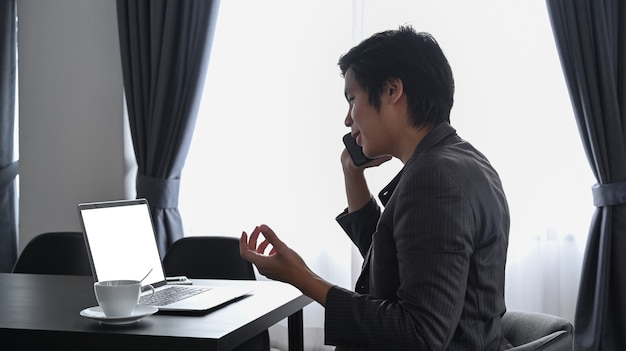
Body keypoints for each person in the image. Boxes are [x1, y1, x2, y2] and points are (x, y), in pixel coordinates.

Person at [240, 25, 510, 350]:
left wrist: (303, 278)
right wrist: (352, 175)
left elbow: (420, 335)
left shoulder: (433, 180)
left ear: (392, 90)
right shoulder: (463, 161)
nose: (347, 119)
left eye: (352, 99)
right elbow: (400, 261)